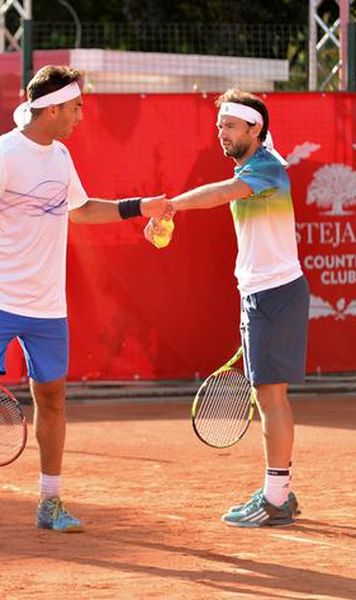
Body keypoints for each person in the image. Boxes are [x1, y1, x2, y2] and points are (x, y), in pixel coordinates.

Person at [0, 65, 170, 533]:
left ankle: (50, 501)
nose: (80, 116)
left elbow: (82, 210)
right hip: (0, 301)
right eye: (76, 108)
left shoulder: (61, 157)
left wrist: (141, 206)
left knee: (52, 398)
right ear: (51, 108)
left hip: (48, 307)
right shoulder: (5, 155)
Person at [145, 89, 310, 527]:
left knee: (270, 396)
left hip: (274, 294)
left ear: (255, 129)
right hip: (261, 293)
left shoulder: (267, 168)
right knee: (268, 395)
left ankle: (276, 500)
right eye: (219, 125)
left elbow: (223, 193)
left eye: (230, 126)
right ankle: (281, 493)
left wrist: (171, 205)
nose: (222, 133)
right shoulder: (256, 165)